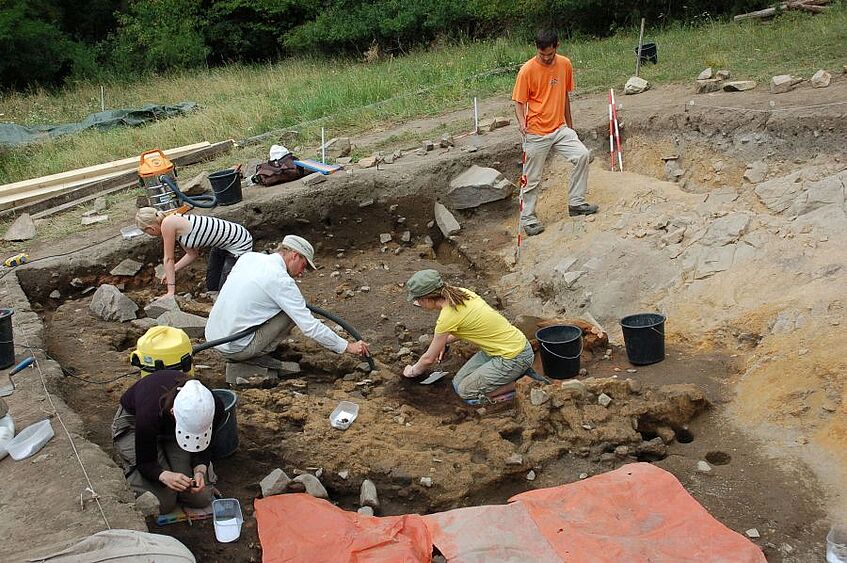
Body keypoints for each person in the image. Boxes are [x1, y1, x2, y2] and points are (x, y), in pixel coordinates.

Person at [205, 234, 369, 367]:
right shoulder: (281, 280)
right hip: (234, 348)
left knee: (278, 306)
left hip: (213, 337)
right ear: (295, 256)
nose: (302, 273)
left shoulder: (249, 258)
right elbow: (310, 327)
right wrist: (348, 346)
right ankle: (256, 354)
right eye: (304, 266)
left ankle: (252, 346)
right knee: (290, 312)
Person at [512, 28, 597, 236]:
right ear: (537, 49)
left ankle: (576, 203)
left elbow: (565, 96)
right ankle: (528, 219)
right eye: (543, 55)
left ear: (556, 47)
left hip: (560, 128)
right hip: (535, 131)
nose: (547, 58)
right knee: (531, 178)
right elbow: (518, 102)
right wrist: (523, 123)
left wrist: (570, 125)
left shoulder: (565, 64)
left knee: (582, 155)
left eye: (550, 54)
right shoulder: (526, 71)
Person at [402, 270, 534, 401]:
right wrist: (443, 342)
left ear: (426, 299)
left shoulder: (447, 316)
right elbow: (469, 327)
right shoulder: (461, 293)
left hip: (514, 357)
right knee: (457, 383)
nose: (419, 304)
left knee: (466, 392)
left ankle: (523, 385)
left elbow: (428, 359)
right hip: (499, 349)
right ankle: (510, 377)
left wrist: (412, 371)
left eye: (418, 300)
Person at [112, 372, 223, 514]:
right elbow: (146, 462)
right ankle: (129, 474)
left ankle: (167, 456)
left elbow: (204, 446)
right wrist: (163, 475)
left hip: (169, 431)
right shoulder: (149, 412)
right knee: (163, 503)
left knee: (200, 498)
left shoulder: (212, 406)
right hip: (134, 424)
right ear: (173, 412)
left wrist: (200, 470)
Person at [135, 208, 253, 296]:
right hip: (222, 246)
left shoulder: (168, 223)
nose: (150, 235)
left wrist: (170, 291)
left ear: (151, 228)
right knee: (212, 287)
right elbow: (192, 254)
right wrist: (173, 269)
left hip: (239, 243)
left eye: (147, 232)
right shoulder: (173, 226)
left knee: (226, 293)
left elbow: (168, 259)